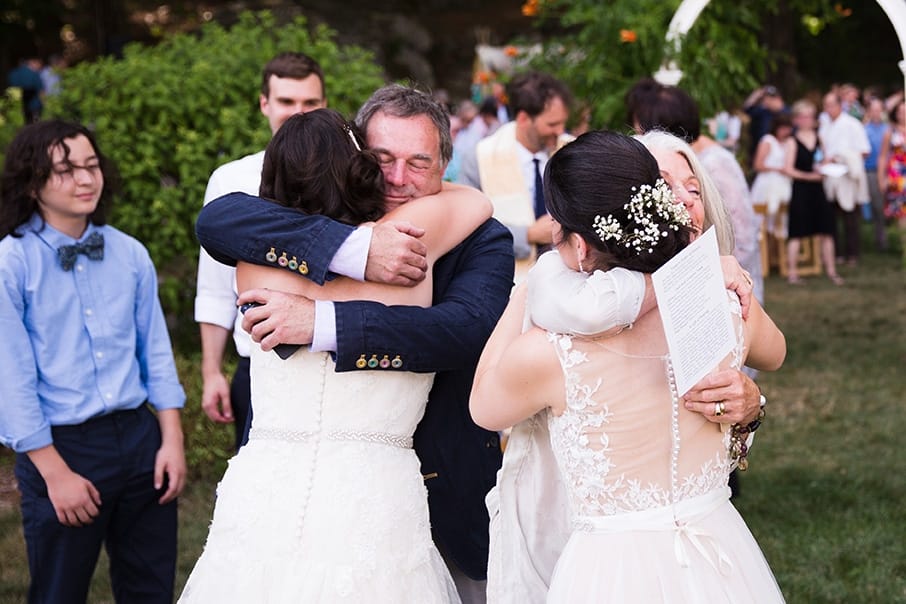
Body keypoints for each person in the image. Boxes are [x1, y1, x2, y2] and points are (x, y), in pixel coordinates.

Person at [194, 84, 514, 603]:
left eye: (418, 163)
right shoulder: (291, 233)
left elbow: (464, 332)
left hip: (431, 487)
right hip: (305, 493)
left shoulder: (480, 236)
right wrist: (353, 249)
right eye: (382, 158)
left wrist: (320, 323)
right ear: (356, 157)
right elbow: (215, 218)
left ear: (443, 168)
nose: (396, 178)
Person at [471, 130, 786, 603]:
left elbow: (483, 407)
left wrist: (527, 289)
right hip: (719, 548)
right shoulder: (722, 303)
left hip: (611, 571)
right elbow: (775, 352)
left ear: (578, 245)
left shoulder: (551, 352)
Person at [0, 120, 187, 602]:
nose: (85, 179)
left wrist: (171, 440)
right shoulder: (11, 262)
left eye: (91, 165)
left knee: (151, 589)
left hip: (141, 439)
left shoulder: (129, 253)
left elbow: (156, 354)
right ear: (31, 180)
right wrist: (54, 473)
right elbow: (10, 377)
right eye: (65, 170)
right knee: (58, 592)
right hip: (63, 447)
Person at [195, 51, 327, 451]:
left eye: (310, 103)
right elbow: (216, 288)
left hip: (331, 364)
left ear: (325, 104)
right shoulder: (231, 179)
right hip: (257, 365)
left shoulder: (346, 176)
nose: (298, 113)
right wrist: (211, 371)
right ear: (265, 104)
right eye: (287, 102)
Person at [457, 71, 573, 281]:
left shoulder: (572, 150)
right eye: (552, 124)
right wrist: (527, 235)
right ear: (523, 118)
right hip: (505, 280)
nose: (560, 131)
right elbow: (465, 226)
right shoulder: (479, 157)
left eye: (562, 123)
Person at [783, 99, 842, 285]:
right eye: (803, 116)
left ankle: (831, 271)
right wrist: (810, 177)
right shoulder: (792, 142)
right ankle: (792, 273)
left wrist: (828, 165)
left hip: (818, 189)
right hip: (801, 190)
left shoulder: (819, 138)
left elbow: (822, 160)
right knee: (797, 231)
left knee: (827, 229)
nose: (807, 120)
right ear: (797, 120)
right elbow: (788, 169)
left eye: (810, 116)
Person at [818, 91, 870, 267]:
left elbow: (864, 151)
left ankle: (852, 254)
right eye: (825, 105)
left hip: (848, 176)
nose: (828, 109)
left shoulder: (852, 124)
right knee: (831, 217)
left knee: (851, 218)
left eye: (831, 105)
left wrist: (841, 157)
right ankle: (836, 254)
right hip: (830, 177)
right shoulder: (824, 126)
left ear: (840, 105)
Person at [750, 113, 794, 238]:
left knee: (780, 221)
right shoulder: (768, 141)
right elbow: (758, 165)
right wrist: (778, 169)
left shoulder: (788, 143)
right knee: (763, 222)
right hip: (766, 183)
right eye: (783, 128)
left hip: (782, 184)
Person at [878, 98, 906, 262]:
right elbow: (882, 157)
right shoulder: (890, 132)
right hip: (897, 177)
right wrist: (882, 179)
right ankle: (904, 248)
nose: (903, 114)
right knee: (902, 214)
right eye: (900, 111)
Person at [863, 96, 890, 252]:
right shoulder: (864, 129)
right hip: (871, 171)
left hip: (891, 171)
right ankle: (881, 240)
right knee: (878, 206)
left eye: (878, 110)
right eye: (873, 110)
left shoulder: (888, 129)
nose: (876, 113)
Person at [742, 85, 788, 167]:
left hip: (778, 154)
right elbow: (746, 109)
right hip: (757, 151)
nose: (766, 102)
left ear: (778, 99)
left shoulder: (787, 113)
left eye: (770, 99)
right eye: (765, 99)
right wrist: (755, 95)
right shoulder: (763, 111)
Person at [7, 57, 44, 123]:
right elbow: (41, 91)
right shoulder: (34, 74)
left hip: (18, 106)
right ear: (31, 62)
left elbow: (10, 89)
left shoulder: (12, 74)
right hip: (34, 106)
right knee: (35, 125)